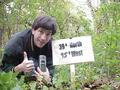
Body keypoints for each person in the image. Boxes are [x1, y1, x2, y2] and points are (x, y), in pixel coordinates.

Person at [1, 15, 57, 83]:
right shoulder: (16, 43)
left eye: (48, 34)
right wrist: (19, 68)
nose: (43, 38)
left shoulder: (51, 45)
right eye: (41, 31)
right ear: (33, 30)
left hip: (38, 82)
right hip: (17, 82)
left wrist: (48, 78)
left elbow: (51, 68)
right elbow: (3, 71)